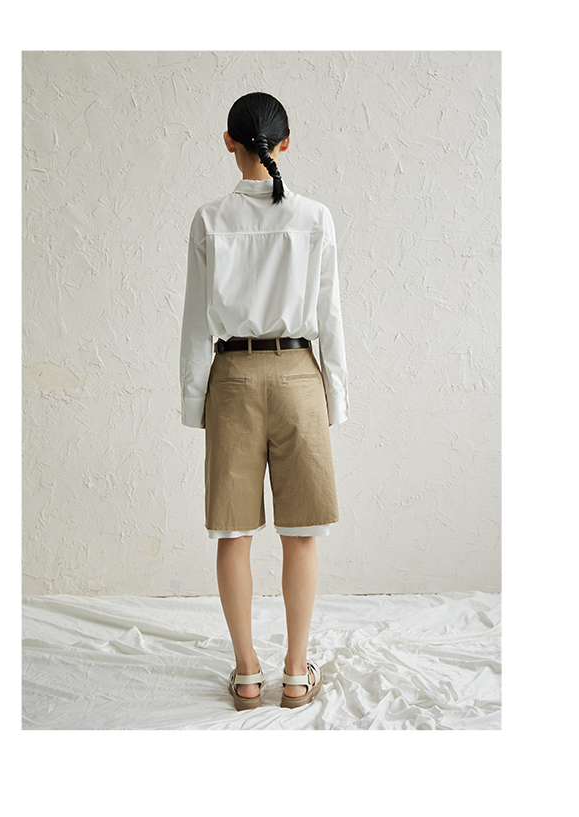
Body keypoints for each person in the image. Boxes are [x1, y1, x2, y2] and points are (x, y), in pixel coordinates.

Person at [179, 92, 349, 711]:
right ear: (286, 142)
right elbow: (330, 317)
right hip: (300, 376)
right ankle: (296, 674)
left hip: (232, 379)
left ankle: (248, 674)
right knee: (301, 533)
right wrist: (336, 397)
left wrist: (194, 399)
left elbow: (196, 321)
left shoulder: (208, 220)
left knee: (233, 532)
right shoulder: (315, 217)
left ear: (228, 141)